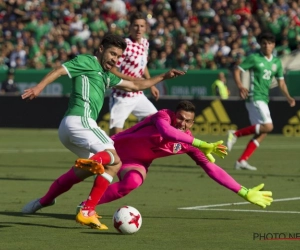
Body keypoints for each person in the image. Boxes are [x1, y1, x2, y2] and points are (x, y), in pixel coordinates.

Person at [21, 33, 185, 230]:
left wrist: (162, 77)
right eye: (112, 54)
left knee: (100, 169)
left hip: (70, 130)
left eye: (118, 56)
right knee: (113, 156)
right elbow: (59, 70)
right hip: (79, 120)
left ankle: (44, 201)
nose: (114, 59)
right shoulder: (87, 61)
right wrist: (39, 87)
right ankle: (87, 209)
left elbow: (134, 85)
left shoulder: (106, 75)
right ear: (100, 50)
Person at [75, 100, 273, 214]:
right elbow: (168, 132)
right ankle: (47, 199)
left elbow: (212, 169)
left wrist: (243, 192)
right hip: (113, 148)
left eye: (188, 121)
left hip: (136, 162)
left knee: (133, 182)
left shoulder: (188, 142)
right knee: (76, 173)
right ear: (174, 114)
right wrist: (201, 144)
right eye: (180, 118)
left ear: (193, 123)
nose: (182, 123)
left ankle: (86, 206)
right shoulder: (162, 116)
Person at [227, 32, 295, 170]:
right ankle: (234, 134)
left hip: (264, 98)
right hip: (254, 96)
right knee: (268, 126)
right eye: (264, 43)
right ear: (260, 45)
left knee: (262, 132)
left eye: (270, 43)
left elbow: (281, 83)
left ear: (274, 45)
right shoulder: (254, 58)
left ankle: (241, 161)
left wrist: (288, 96)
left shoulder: (276, 62)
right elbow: (237, 70)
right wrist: (240, 86)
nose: (267, 46)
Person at [109, 12, 159, 136]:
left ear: (145, 27)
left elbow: (143, 65)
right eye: (136, 25)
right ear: (130, 27)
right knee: (115, 134)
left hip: (138, 95)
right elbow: (112, 70)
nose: (139, 29)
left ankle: (137, 148)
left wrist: (151, 84)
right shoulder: (124, 45)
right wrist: (133, 80)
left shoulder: (145, 43)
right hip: (122, 95)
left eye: (142, 26)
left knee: (156, 121)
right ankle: (106, 153)